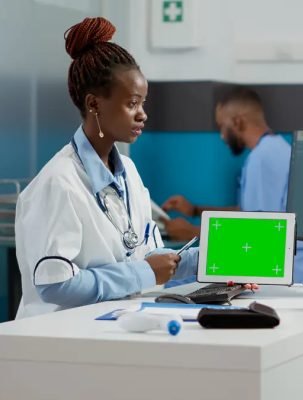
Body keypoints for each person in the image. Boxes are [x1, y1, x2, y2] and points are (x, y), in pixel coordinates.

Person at [14, 17, 256, 319]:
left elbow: (147, 255)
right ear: (94, 104)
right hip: (56, 339)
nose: (142, 114)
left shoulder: (127, 171)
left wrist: (223, 262)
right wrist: (142, 274)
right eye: (132, 103)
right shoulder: (59, 182)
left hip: (111, 326)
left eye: (143, 103)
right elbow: (57, 285)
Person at [161, 86, 303, 284]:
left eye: (222, 127)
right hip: (290, 269)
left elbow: (262, 233)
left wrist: (191, 232)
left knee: (178, 284)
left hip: (288, 275)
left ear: (238, 122)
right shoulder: (274, 150)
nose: (221, 136)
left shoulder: (263, 158)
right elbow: (248, 213)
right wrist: (195, 210)